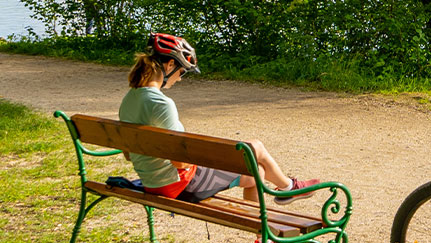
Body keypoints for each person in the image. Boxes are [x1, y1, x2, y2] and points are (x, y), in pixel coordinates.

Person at [120, 33, 321, 216]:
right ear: (170, 65)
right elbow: (180, 163)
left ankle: (271, 228)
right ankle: (287, 191)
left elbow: (129, 154)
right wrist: (202, 157)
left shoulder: (129, 100)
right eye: (182, 72)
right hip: (176, 184)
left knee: (256, 171)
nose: (180, 79)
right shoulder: (161, 103)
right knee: (255, 149)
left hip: (151, 182)